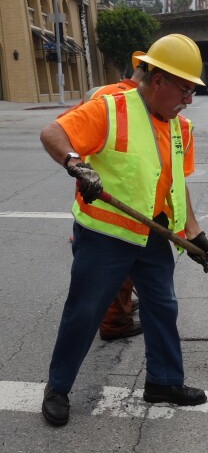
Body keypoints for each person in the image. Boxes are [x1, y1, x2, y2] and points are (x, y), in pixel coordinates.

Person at [39, 34, 208, 427]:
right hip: (106, 236)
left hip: (154, 235)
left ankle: (164, 382)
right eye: (185, 89)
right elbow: (53, 133)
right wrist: (75, 163)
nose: (189, 99)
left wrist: (195, 233)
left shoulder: (180, 128)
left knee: (163, 306)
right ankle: (57, 387)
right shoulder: (110, 109)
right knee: (84, 312)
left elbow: (176, 184)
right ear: (158, 81)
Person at [59, 52, 149, 341]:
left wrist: (78, 165)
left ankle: (117, 306)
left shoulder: (100, 92)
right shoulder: (136, 103)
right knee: (118, 264)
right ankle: (115, 322)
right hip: (112, 199)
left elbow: (64, 127)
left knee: (107, 264)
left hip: (89, 188)